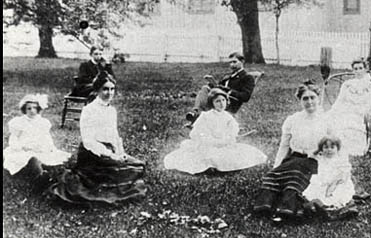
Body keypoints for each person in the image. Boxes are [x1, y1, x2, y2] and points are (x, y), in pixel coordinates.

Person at [48, 72, 146, 204]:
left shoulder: (112, 110)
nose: (109, 93)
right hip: (93, 153)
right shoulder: (89, 110)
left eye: (112, 89)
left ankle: (116, 175)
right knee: (125, 171)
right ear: (97, 90)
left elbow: (114, 134)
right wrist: (110, 155)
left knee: (139, 165)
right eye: (105, 89)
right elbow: (89, 141)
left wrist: (120, 152)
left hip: (110, 150)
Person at [252, 80, 331, 223]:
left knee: (295, 179)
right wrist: (277, 166)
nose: (309, 102)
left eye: (312, 97)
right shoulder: (293, 120)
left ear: (318, 98)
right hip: (294, 158)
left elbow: (335, 146)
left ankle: (287, 211)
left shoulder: (327, 119)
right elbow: (284, 146)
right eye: (305, 98)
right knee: (273, 176)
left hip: (316, 161)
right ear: (300, 100)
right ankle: (264, 208)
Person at [164, 88, 267, 174]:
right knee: (205, 155)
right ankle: (210, 167)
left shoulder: (228, 117)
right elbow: (198, 133)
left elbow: (232, 131)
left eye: (223, 100)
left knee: (240, 154)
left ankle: (220, 166)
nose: (221, 104)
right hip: (208, 143)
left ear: (227, 102)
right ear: (212, 103)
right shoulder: (206, 116)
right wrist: (211, 141)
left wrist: (227, 139)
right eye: (217, 101)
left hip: (223, 143)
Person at [3, 94, 71, 193]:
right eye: (29, 108)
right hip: (24, 149)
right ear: (24, 110)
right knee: (32, 159)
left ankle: (50, 176)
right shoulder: (19, 122)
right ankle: (39, 179)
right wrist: (21, 147)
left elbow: (47, 138)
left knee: (51, 158)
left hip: (39, 148)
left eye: (35, 108)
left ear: (39, 109)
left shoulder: (43, 122)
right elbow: (13, 139)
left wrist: (50, 148)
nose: (32, 111)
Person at [186, 51, 255, 127]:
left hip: (230, 103)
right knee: (205, 88)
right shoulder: (228, 76)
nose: (232, 65)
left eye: (234, 62)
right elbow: (219, 87)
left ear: (242, 62)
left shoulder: (247, 77)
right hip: (218, 99)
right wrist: (213, 84)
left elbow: (245, 97)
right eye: (230, 63)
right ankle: (196, 112)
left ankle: (195, 116)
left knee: (207, 91)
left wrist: (228, 91)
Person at [326, 58, 371, 157]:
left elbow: (370, 101)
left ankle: (350, 146)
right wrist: (333, 111)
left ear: (365, 69)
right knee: (332, 120)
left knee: (352, 123)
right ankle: (335, 145)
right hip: (346, 109)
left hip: (361, 111)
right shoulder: (347, 84)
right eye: (355, 69)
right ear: (353, 70)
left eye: (360, 68)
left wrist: (363, 111)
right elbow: (340, 100)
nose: (358, 71)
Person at [302, 135, 357, 220]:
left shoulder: (340, 160)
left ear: (337, 149)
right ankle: (320, 206)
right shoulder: (321, 158)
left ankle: (335, 208)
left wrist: (332, 186)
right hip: (323, 181)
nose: (329, 150)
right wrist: (318, 151)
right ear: (322, 149)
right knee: (315, 190)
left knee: (338, 193)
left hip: (337, 182)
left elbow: (343, 175)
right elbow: (311, 156)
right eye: (326, 147)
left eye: (332, 147)